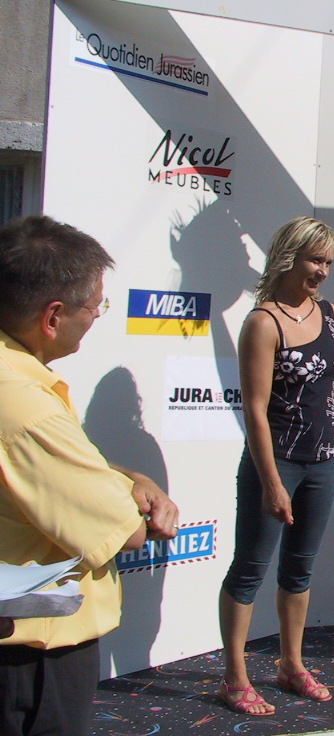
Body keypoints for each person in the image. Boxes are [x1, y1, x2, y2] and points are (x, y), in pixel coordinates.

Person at [0, 214, 179, 736]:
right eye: (95, 306)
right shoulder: (26, 408)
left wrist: (124, 475)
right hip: (32, 656)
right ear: (53, 316)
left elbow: (63, 466)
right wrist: (135, 496)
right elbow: (125, 531)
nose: (98, 316)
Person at [217, 216, 334, 716]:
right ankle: (235, 678)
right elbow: (255, 410)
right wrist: (272, 482)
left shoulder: (331, 314)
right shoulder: (263, 322)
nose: (322, 271)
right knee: (250, 570)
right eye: (314, 260)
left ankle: (291, 664)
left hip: (322, 462)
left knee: (299, 570)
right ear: (288, 258)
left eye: (328, 262)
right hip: (276, 462)